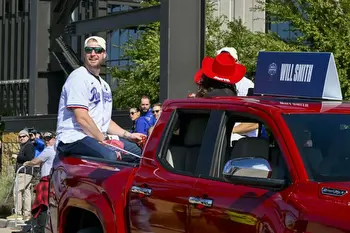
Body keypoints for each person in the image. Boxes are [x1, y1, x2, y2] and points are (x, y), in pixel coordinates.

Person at [56, 36, 145, 160]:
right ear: (84, 54)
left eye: (97, 50)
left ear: (104, 54)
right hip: (73, 138)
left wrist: (128, 135)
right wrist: (104, 140)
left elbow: (105, 122)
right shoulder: (78, 77)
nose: (93, 54)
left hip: (95, 138)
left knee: (138, 153)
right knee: (110, 156)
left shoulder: (105, 86)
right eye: (88, 50)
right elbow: (82, 118)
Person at [23, 132, 56, 233]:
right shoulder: (57, 150)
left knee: (42, 205)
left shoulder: (49, 150)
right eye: (45, 138)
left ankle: (40, 229)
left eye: (49, 138)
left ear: (54, 139)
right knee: (48, 206)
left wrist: (26, 163)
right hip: (52, 180)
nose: (46, 141)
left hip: (46, 180)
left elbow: (35, 161)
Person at [7, 129, 35, 221]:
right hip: (25, 172)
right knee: (26, 192)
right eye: (20, 136)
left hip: (24, 172)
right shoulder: (25, 145)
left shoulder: (29, 146)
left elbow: (29, 158)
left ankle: (18, 214)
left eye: (24, 136)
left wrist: (17, 156)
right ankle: (27, 214)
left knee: (17, 191)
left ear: (28, 137)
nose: (21, 138)